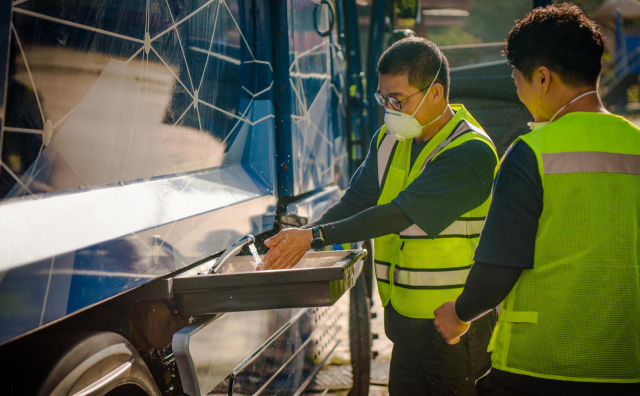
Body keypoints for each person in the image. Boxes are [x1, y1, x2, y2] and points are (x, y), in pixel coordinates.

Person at [258, 37, 499, 395]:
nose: (389, 108)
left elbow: (398, 214)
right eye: (384, 98)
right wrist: (301, 240)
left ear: (436, 93)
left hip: (454, 326)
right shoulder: (390, 140)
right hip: (404, 324)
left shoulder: (469, 152)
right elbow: (357, 200)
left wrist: (312, 239)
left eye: (398, 99)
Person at [433, 4, 640, 396]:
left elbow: (498, 268)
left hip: (539, 366)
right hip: (626, 362)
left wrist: (458, 315)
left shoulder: (531, 153)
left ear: (542, 77)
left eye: (518, 81)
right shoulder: (636, 145)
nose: (520, 93)